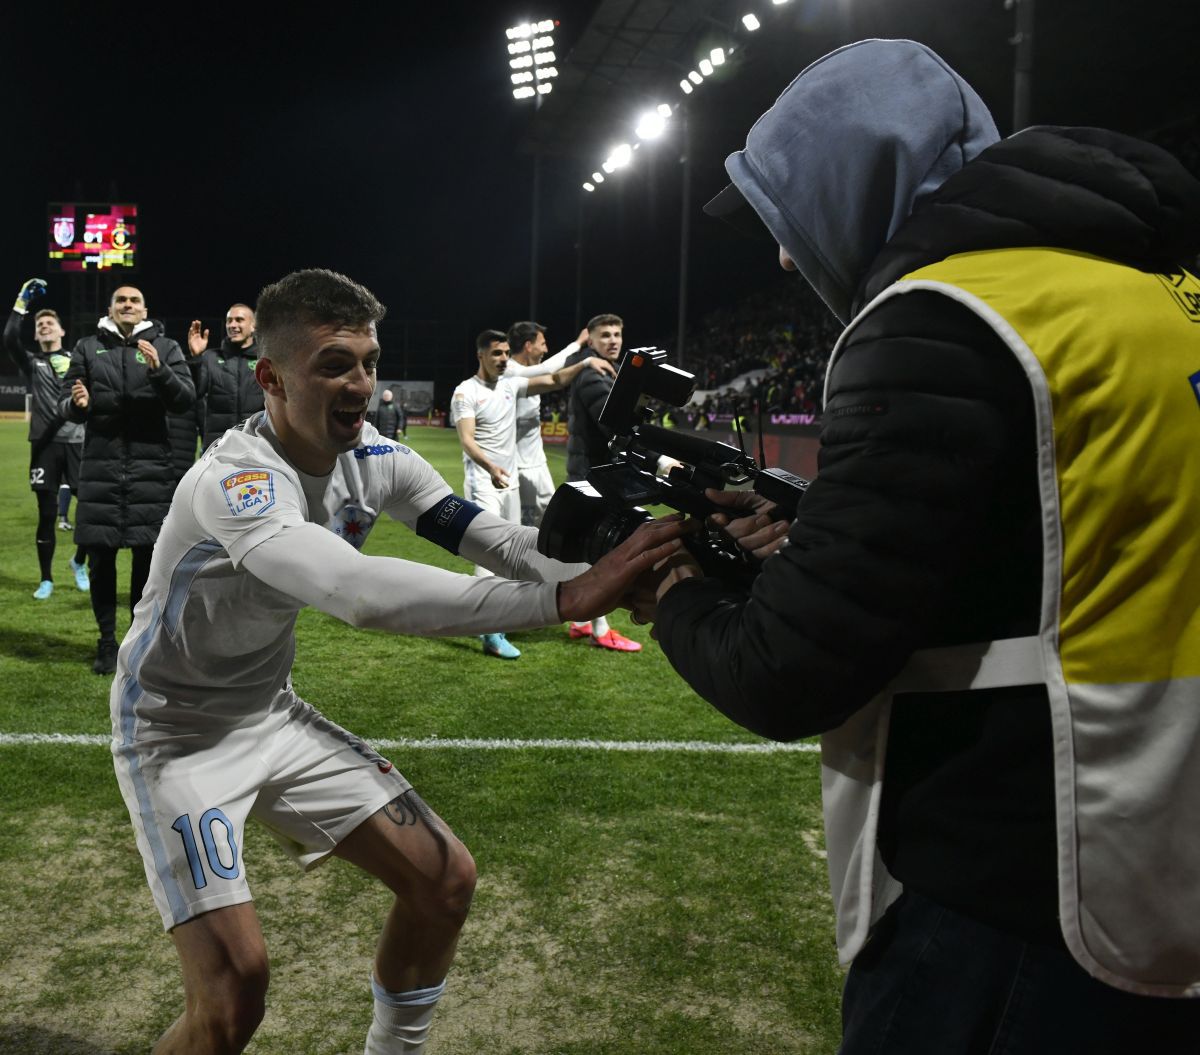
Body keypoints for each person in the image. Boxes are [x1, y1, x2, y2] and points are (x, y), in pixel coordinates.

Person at [634, 39, 1200, 1053]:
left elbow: (786, 672)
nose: (782, 255)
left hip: (1024, 876)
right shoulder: (1164, 294)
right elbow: (1071, 543)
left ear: (856, 179)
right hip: (1167, 855)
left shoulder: (942, 315)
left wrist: (674, 582)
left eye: (790, 209)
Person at [110, 268, 683, 1054]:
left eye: (370, 362)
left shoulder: (379, 459)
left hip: (267, 714)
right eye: (335, 364)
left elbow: (506, 545)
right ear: (271, 377)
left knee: (445, 879)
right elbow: (354, 592)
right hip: (172, 734)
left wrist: (620, 570)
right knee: (234, 993)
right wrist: (569, 600)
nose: (361, 384)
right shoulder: (237, 480)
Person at [450, 329, 614, 658]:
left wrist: (584, 364)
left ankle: (504, 615)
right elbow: (467, 439)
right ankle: (488, 628)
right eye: (496, 353)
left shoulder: (511, 384)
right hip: (484, 482)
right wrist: (490, 467)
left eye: (506, 353)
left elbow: (553, 379)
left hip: (508, 481)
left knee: (510, 551)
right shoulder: (465, 391)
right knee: (488, 552)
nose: (502, 360)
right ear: (480, 355)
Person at [62, 286, 195, 674]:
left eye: (134, 301)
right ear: (110, 308)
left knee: (145, 562)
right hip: (101, 468)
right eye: (121, 301)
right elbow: (65, 402)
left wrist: (159, 372)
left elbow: (185, 399)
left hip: (150, 469)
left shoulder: (166, 347)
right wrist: (75, 404)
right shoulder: (87, 347)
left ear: (145, 309)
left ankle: (137, 642)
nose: (127, 306)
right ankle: (106, 642)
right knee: (101, 559)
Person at [3, 279, 90, 598]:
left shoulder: (77, 360)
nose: (44, 327)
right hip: (44, 446)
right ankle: (46, 579)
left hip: (77, 442)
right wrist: (21, 302)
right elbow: (10, 337)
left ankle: (79, 561)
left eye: (50, 323)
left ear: (61, 331)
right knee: (47, 514)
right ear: (36, 333)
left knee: (89, 511)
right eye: (40, 325)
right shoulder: (32, 362)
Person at [562, 313, 643, 652]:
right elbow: (614, 428)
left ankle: (583, 622)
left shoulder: (601, 371)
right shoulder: (593, 374)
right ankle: (600, 628)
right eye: (605, 335)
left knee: (590, 553)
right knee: (603, 556)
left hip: (591, 474)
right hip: (595, 477)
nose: (612, 340)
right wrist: (657, 457)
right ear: (590, 340)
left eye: (617, 334)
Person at [503, 319, 589, 527]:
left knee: (549, 521)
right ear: (528, 346)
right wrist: (578, 344)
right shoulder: (508, 370)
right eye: (542, 344)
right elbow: (548, 370)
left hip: (537, 463)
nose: (546, 349)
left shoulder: (526, 373)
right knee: (522, 527)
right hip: (517, 466)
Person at [187, 303, 264, 450]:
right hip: (217, 446)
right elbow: (194, 391)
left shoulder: (264, 359)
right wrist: (196, 358)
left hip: (255, 445)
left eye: (239, 320)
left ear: (253, 325)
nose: (233, 325)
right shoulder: (211, 357)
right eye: (229, 320)